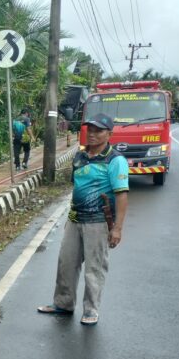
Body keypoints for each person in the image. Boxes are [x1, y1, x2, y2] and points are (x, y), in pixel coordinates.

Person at [37, 113, 129, 326]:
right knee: (66, 263)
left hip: (98, 221)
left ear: (109, 134)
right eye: (90, 130)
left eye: (99, 131)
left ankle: (91, 309)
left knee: (94, 269)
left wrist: (117, 228)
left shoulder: (115, 160)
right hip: (75, 219)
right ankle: (63, 303)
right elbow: (77, 187)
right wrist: (70, 218)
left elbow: (121, 195)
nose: (93, 134)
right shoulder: (80, 157)